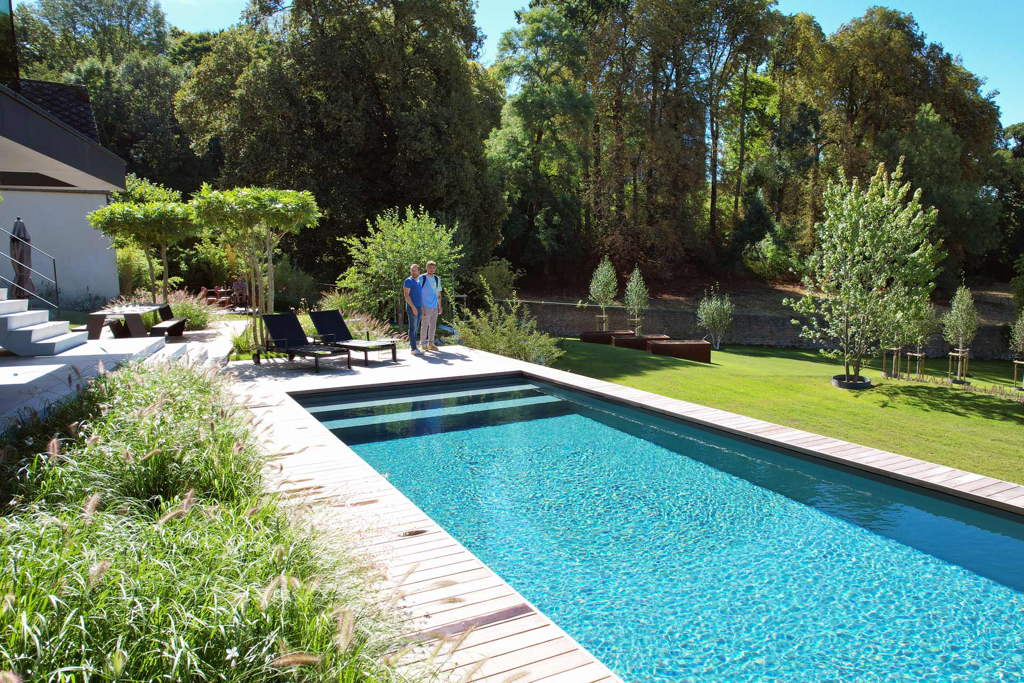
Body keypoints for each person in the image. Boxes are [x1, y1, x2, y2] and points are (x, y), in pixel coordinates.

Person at [418, 260, 443, 352]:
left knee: (433, 325)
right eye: (429, 267)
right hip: (425, 305)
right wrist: (421, 306)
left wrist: (439, 306)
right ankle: (423, 343)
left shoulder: (437, 279)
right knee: (424, 325)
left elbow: (438, 292)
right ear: (426, 268)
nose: (431, 269)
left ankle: (431, 343)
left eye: (433, 268)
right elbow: (418, 292)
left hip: (434, 306)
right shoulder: (422, 278)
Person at [403, 263, 424, 355]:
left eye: (415, 270)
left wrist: (422, 308)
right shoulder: (408, 281)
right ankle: (413, 348)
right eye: (412, 270)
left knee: (416, 328)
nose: (413, 272)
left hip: (419, 307)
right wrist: (413, 307)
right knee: (412, 328)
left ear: (419, 271)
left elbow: (420, 296)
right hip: (412, 308)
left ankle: (415, 347)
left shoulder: (419, 281)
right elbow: (406, 295)